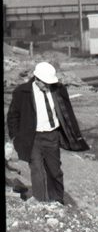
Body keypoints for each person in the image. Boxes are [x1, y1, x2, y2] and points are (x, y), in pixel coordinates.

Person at [5, 61, 88, 204]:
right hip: (32, 137)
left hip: (52, 135)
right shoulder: (22, 92)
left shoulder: (58, 89)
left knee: (54, 170)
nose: (47, 86)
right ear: (36, 79)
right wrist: (14, 137)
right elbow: (13, 116)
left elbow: (67, 112)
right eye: (45, 83)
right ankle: (41, 202)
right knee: (37, 169)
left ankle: (57, 200)